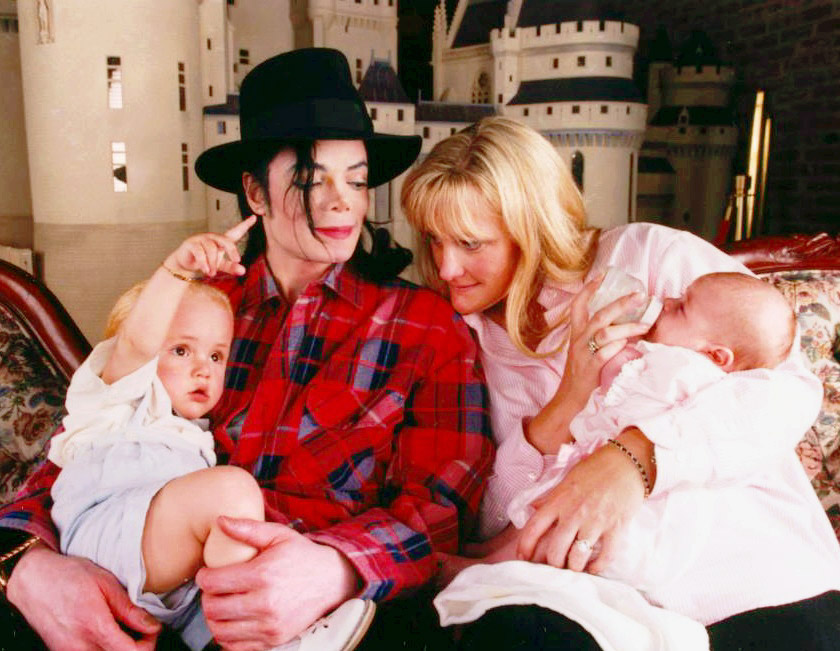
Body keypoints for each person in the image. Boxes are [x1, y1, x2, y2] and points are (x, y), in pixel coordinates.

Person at [0, 48, 493, 651]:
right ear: (255, 192)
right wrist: (24, 567)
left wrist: (337, 569)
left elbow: (441, 510)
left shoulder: (426, 326)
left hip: (314, 620)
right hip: (135, 588)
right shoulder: (191, 305)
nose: (342, 201)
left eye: (358, 179)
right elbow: (82, 446)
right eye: (312, 179)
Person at [401, 116, 840, 649]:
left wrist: (633, 461)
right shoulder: (456, 335)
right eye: (434, 239)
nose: (446, 268)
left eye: (471, 243)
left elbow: (784, 393)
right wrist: (570, 396)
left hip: (752, 568)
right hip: (599, 595)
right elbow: (489, 519)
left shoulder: (648, 256)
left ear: (532, 228)